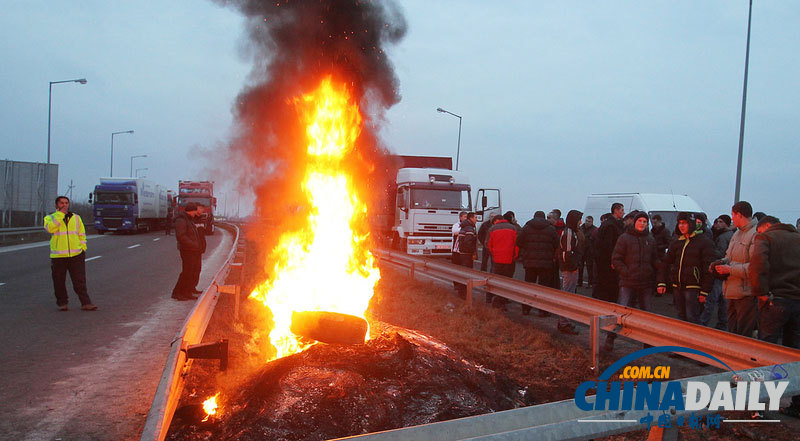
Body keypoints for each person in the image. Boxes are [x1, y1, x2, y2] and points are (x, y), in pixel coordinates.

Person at [750, 215, 800, 416]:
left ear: (766, 227)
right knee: (795, 355)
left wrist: (761, 293)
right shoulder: (798, 238)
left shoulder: (766, 238)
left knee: (764, 354)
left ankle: (759, 407)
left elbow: (758, 266)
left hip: (774, 301)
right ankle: (797, 405)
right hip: (798, 303)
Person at [604, 211, 658, 350]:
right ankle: (610, 338)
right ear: (635, 222)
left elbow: (655, 260)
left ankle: (647, 341)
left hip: (645, 283)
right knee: (621, 311)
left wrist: (656, 275)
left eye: (645, 222)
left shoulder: (650, 240)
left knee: (647, 313)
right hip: (628, 282)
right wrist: (626, 272)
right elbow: (616, 258)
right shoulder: (625, 238)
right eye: (640, 221)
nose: (642, 224)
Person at [711, 201, 759, 337]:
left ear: (739, 214)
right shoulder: (737, 234)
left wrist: (729, 269)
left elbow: (755, 267)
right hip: (731, 291)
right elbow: (729, 256)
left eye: (733, 215)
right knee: (732, 333)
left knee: (743, 334)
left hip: (746, 294)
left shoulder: (755, 235)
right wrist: (721, 262)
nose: (732, 218)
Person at [658, 212, 715, 324]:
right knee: (681, 316)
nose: (681, 226)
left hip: (694, 287)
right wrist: (661, 282)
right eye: (680, 223)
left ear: (692, 224)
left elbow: (708, 269)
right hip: (677, 286)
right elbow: (665, 263)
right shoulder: (677, 242)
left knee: (692, 317)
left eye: (685, 223)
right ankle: (682, 341)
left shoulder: (704, 242)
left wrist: (705, 291)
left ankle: (694, 340)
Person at [44, 196, 97, 311]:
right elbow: (50, 229)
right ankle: (62, 303)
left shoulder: (76, 218)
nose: (64, 205)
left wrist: (83, 248)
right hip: (58, 256)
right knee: (59, 281)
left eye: (66, 203)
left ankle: (86, 303)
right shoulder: (50, 218)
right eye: (61, 203)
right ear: (56, 205)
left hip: (76, 255)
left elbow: (81, 233)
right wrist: (60, 215)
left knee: (79, 280)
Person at [517, 211, 560, 315]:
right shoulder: (551, 229)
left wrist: (525, 252)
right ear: (544, 217)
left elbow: (518, 242)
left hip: (530, 262)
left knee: (529, 286)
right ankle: (543, 311)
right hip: (546, 263)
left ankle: (526, 308)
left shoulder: (526, 228)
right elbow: (557, 244)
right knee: (543, 288)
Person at [701, 215, 734, 329]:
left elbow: (721, 253)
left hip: (720, 271)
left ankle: (704, 323)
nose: (717, 224)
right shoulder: (723, 235)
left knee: (712, 300)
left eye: (721, 222)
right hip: (723, 272)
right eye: (717, 221)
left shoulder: (724, 237)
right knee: (722, 301)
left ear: (726, 224)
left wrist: (709, 251)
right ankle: (722, 324)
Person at [556, 210, 584, 334]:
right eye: (579, 219)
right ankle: (563, 322)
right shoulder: (569, 233)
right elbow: (567, 253)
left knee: (569, 294)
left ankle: (565, 321)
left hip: (571, 267)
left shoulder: (572, 232)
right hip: (569, 268)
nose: (580, 222)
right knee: (567, 294)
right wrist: (572, 267)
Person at [172, 203, 205, 301]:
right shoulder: (182, 220)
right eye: (195, 211)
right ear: (191, 211)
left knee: (190, 271)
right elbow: (181, 236)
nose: (196, 213)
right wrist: (193, 244)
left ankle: (186, 291)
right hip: (187, 250)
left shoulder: (188, 219)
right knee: (187, 272)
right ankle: (180, 293)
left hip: (192, 250)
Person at [593, 203, 625, 303]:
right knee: (609, 288)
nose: (623, 213)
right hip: (608, 264)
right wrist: (613, 260)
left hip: (606, 263)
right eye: (622, 210)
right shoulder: (611, 226)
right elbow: (608, 246)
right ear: (616, 210)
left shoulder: (610, 224)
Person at [486, 214, 520, 309]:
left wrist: (493, 254)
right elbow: (517, 244)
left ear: (497, 220)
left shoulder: (492, 229)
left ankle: (496, 300)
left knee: (497, 280)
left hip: (497, 259)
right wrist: (515, 256)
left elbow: (488, 244)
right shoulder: (513, 228)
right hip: (509, 259)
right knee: (507, 281)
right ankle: (502, 302)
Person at [454, 212, 479, 298]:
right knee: (467, 274)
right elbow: (468, 242)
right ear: (470, 218)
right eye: (475, 217)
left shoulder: (464, 227)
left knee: (463, 273)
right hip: (467, 254)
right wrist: (473, 252)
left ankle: (462, 293)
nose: (476, 219)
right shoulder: (469, 228)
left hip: (462, 253)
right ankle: (464, 294)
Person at [579, 216, 597, 287]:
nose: (587, 222)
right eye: (586, 221)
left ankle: (590, 283)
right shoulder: (580, 228)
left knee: (590, 268)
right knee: (580, 267)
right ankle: (579, 281)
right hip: (582, 250)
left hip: (590, 251)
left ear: (592, 222)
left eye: (589, 221)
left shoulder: (594, 230)